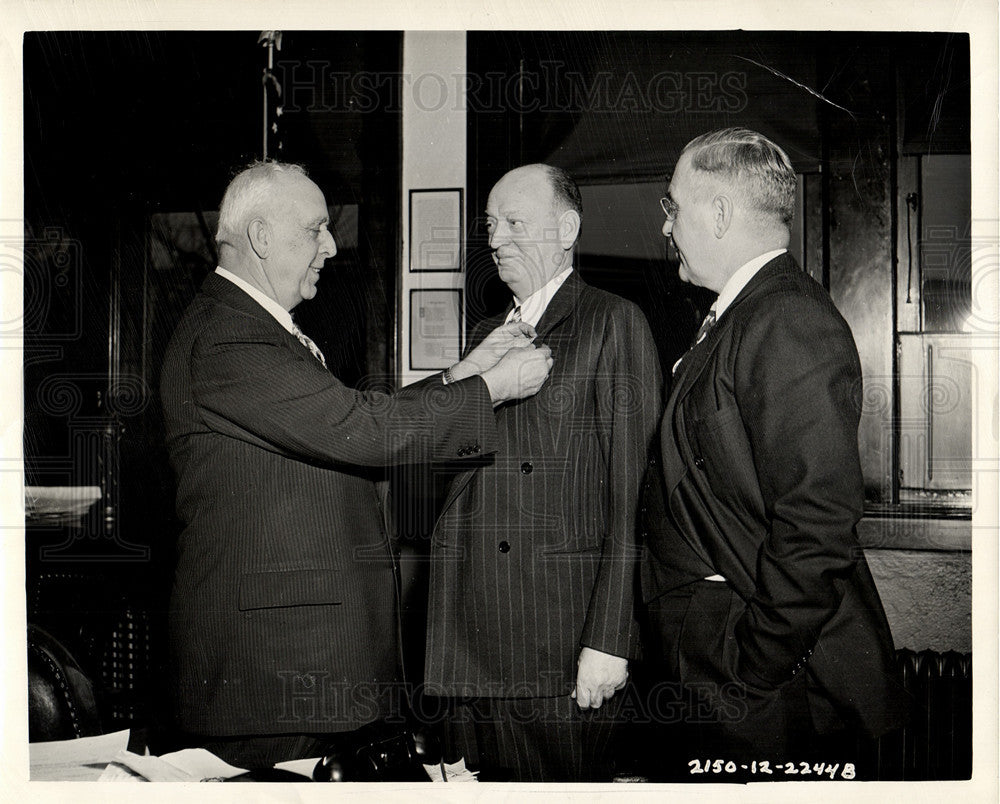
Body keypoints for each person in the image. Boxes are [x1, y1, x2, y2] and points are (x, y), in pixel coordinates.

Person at [159, 161, 552, 768]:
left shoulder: (256, 330)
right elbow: (361, 429)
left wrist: (462, 373)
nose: (331, 245)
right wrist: (492, 389)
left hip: (301, 668)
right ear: (262, 238)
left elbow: (346, 420)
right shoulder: (228, 337)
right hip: (273, 679)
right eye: (316, 229)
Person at [640, 128, 907, 779]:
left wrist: (753, 666)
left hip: (750, 678)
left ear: (721, 213)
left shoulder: (786, 319)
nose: (667, 227)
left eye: (674, 206)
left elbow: (818, 523)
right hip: (711, 657)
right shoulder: (744, 316)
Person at [422, 164, 662, 781]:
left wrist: (610, 638)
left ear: (567, 230)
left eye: (514, 224)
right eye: (491, 224)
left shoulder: (613, 323)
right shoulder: (486, 334)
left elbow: (631, 495)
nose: (495, 239)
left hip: (557, 643)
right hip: (472, 628)